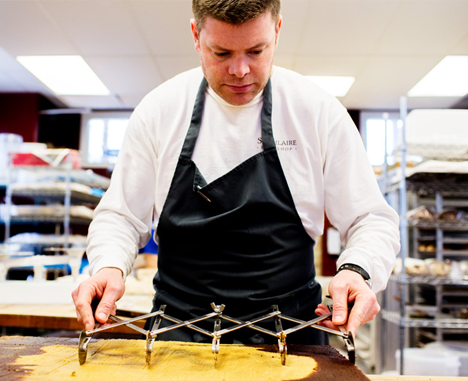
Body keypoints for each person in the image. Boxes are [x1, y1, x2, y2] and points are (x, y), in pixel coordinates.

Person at [72, 0, 400, 345]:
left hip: (291, 335)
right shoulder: (159, 110)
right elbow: (121, 216)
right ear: (196, 35)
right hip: (179, 334)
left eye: (256, 51)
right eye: (222, 53)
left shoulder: (317, 112)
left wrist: (357, 269)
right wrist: (109, 265)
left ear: (277, 30)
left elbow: (370, 218)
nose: (240, 70)